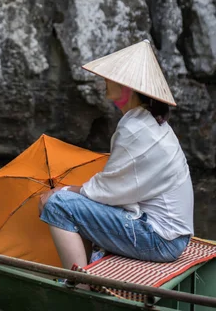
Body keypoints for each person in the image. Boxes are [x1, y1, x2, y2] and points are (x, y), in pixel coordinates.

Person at [39, 39, 194, 274]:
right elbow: (115, 188)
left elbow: (108, 190)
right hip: (173, 236)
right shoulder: (147, 121)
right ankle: (89, 267)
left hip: (161, 240)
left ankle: (79, 283)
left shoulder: (134, 127)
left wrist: (61, 191)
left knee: (58, 205)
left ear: (127, 86)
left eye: (112, 77)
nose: (105, 81)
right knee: (78, 200)